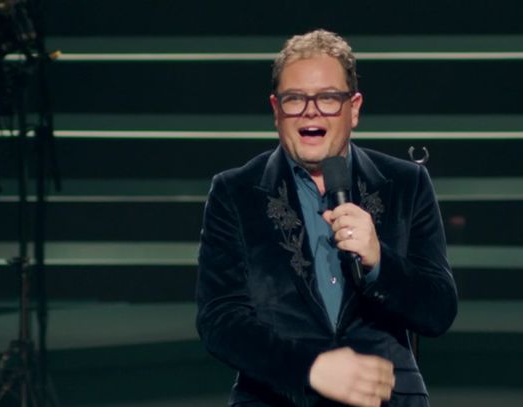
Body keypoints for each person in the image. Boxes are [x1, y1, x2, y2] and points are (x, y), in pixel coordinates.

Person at [196, 29, 457, 407]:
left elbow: (438, 310)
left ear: (354, 108)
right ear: (276, 110)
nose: (310, 110)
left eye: (329, 98)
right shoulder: (234, 192)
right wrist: (311, 369)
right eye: (294, 99)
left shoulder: (405, 183)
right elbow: (219, 320)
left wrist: (380, 262)